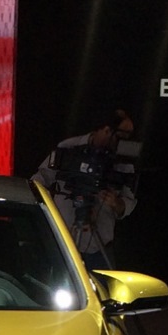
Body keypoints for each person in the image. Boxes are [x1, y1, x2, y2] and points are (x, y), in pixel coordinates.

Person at [33, 109, 139, 265]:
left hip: (99, 245)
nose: (124, 142)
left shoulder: (124, 159)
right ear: (106, 130)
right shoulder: (69, 147)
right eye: (121, 137)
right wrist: (44, 204)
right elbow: (40, 179)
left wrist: (117, 203)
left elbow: (129, 199)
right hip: (63, 240)